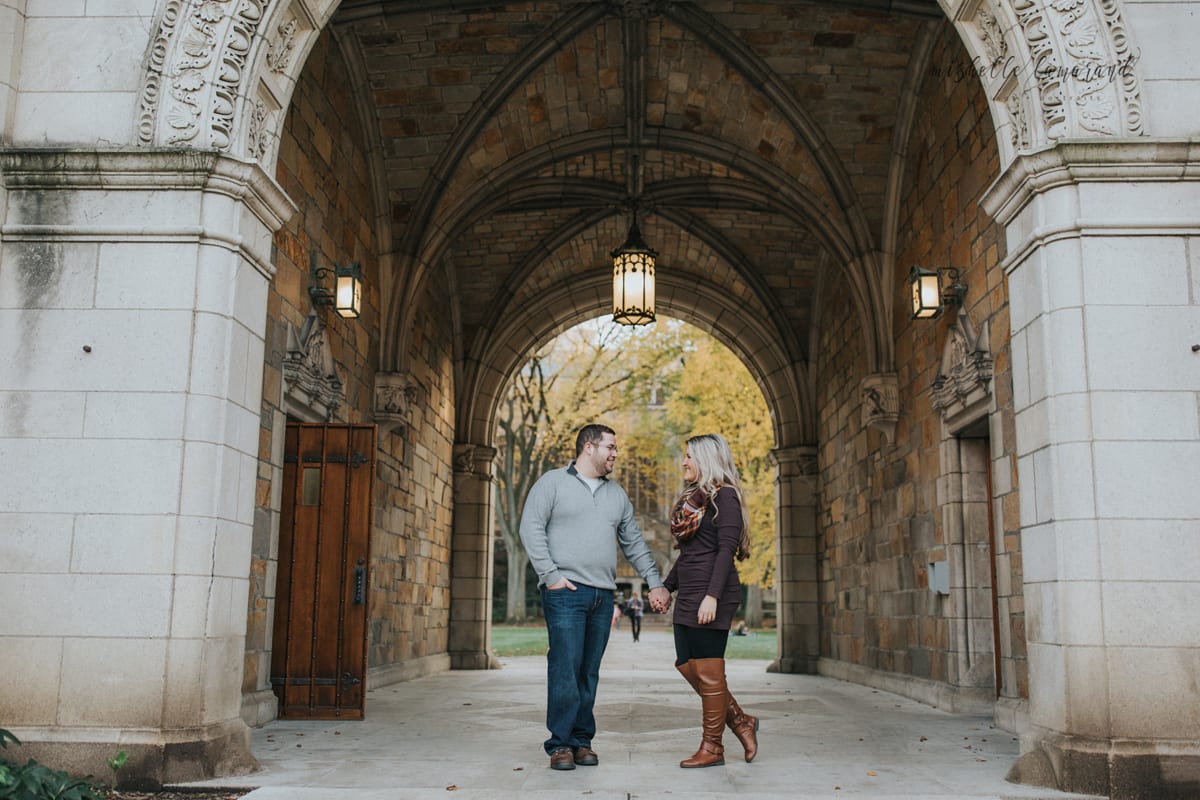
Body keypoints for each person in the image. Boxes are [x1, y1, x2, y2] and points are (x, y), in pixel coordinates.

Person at [519, 423, 671, 772]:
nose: (616, 454)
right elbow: (531, 527)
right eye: (610, 447)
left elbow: (633, 542)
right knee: (565, 668)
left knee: (588, 671)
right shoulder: (552, 483)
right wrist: (551, 576)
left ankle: (581, 741)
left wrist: (655, 581)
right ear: (589, 447)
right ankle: (559, 745)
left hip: (603, 596)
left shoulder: (616, 494)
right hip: (565, 593)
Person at [662, 433, 759, 768]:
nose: (684, 461)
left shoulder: (725, 497)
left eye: (689, 456)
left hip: (711, 594)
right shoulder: (695, 499)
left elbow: (724, 550)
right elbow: (690, 555)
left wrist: (712, 597)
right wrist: (666, 587)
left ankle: (713, 748)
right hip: (689, 592)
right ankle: (742, 722)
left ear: (705, 459)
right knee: (687, 665)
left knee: (710, 673)